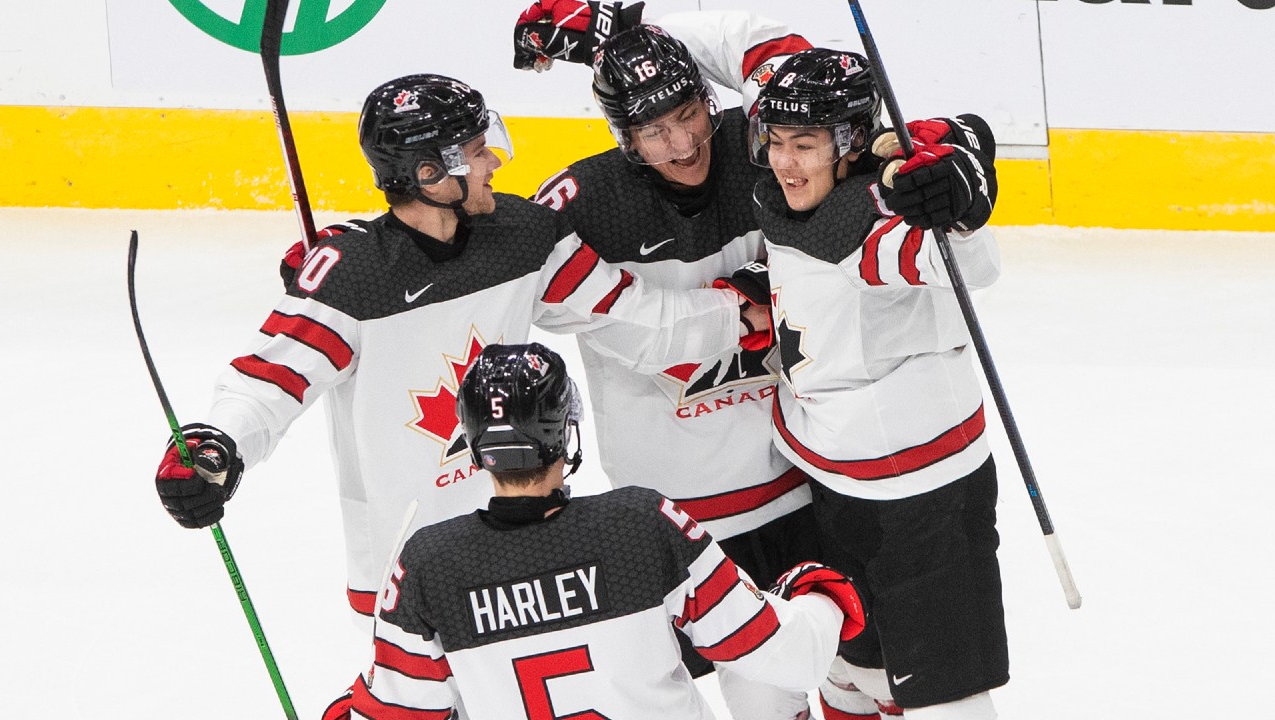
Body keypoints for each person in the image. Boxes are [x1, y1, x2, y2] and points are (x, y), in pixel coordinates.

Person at [152, 73, 768, 718]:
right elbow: (267, 383)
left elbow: (630, 317)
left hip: (522, 548)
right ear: (427, 172)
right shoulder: (352, 277)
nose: (495, 158)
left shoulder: (526, 236)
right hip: (404, 568)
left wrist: (739, 311)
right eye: (476, 150)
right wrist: (215, 446)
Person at [512, 8, 893, 718]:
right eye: (654, 131)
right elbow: (531, 287)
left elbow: (788, 57)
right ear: (622, 135)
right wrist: (732, 311)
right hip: (670, 522)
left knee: (855, 674)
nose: (684, 142)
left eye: (690, 112)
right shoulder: (583, 202)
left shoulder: (765, 148)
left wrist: (628, 23)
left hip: (794, 488)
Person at [352, 341, 868, 720]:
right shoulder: (638, 524)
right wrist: (815, 591)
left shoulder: (428, 564)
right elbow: (784, 656)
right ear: (564, 431)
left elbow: (393, 714)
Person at [747, 47, 1009, 720]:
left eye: (803, 144)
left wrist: (965, 202)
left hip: (919, 494)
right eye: (775, 141)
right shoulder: (789, 196)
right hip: (832, 477)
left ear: (849, 143)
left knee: (943, 693)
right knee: (852, 668)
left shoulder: (876, 221)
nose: (784, 161)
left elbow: (963, 262)